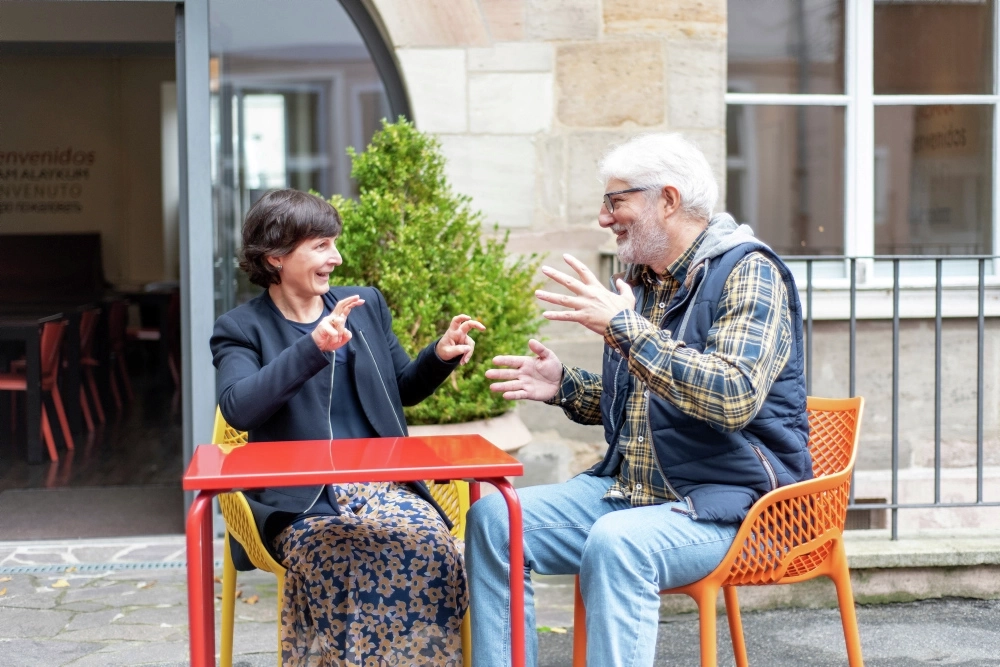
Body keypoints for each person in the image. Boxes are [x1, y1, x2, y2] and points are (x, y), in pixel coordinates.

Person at [465, 133, 811, 666]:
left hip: (735, 504)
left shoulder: (748, 272)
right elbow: (652, 402)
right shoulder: (644, 282)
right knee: (494, 520)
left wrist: (625, 327)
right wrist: (566, 387)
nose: (604, 218)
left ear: (667, 200)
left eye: (616, 200)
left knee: (618, 542)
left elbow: (733, 395)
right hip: (633, 494)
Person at [210, 189, 484, 666]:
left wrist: (438, 356)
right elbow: (238, 408)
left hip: (385, 487)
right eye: (320, 245)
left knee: (428, 547)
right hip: (303, 501)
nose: (336, 257)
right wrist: (312, 348)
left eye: (334, 243)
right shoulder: (240, 328)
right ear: (275, 257)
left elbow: (402, 388)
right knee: (341, 558)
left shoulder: (365, 306)